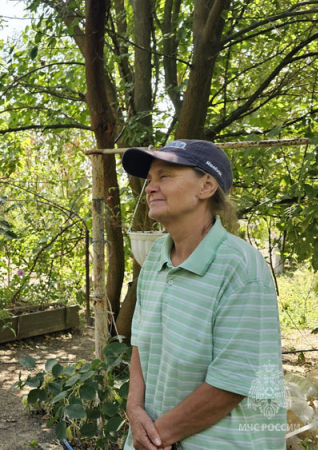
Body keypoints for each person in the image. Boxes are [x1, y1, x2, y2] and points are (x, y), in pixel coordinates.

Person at [121, 140, 286, 449]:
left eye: (165, 176)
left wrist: (156, 437)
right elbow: (140, 344)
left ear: (206, 186)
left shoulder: (241, 268)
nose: (150, 188)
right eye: (150, 179)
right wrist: (134, 409)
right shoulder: (157, 255)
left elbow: (232, 382)